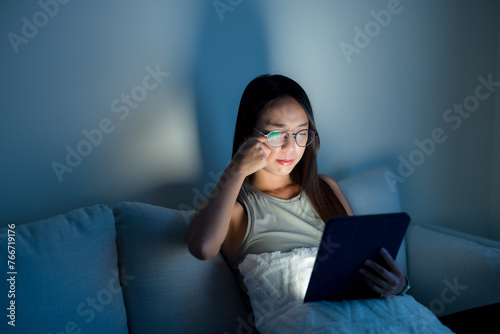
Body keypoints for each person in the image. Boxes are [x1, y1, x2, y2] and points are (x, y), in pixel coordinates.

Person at [185, 74, 408, 298]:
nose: (291, 147)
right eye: (277, 134)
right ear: (248, 137)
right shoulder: (237, 210)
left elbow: (359, 263)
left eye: (301, 133)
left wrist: (399, 286)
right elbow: (202, 247)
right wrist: (236, 169)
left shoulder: (325, 189)